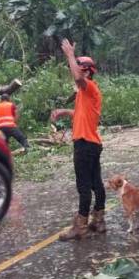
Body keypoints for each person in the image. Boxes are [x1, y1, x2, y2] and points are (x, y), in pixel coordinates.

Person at [50, 39, 106, 240]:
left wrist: (70, 55)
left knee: (84, 186)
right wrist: (65, 111)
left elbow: (78, 78)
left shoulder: (88, 86)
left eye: (80, 69)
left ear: (88, 71)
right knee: (95, 183)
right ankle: (98, 220)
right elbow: (82, 114)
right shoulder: (86, 93)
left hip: (84, 144)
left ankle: (80, 226)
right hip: (92, 143)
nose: (75, 73)